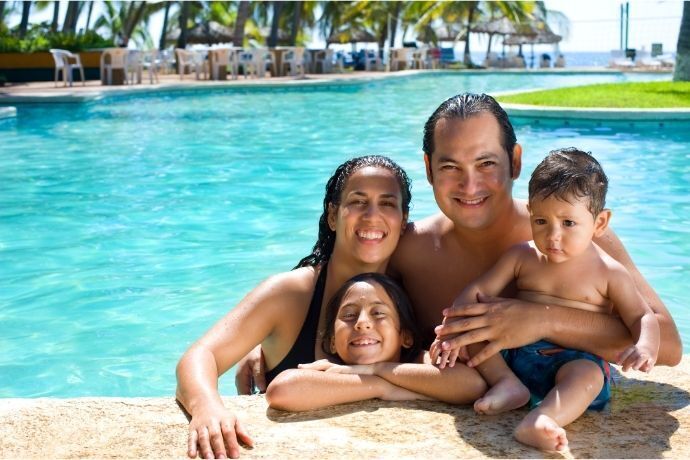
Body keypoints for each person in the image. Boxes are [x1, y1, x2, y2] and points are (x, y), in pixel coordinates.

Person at [235, 93, 681, 397]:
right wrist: (274, 340)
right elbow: (348, 293)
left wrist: (540, 320)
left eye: (487, 162)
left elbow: (668, 344)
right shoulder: (411, 250)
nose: (470, 185)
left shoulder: (575, 234)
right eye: (451, 167)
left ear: (516, 161)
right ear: (428, 169)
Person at [176, 154, 484, 459]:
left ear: (403, 222)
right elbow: (201, 355)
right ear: (333, 215)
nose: (371, 216)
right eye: (357, 201)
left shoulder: (411, 293)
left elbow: (465, 379)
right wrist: (207, 406)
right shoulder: (291, 293)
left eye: (387, 203)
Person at [431, 147, 659, 451]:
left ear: (600, 223)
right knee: (475, 322)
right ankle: (507, 385)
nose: (553, 236)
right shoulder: (522, 256)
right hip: (513, 355)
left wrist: (645, 346)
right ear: (530, 213)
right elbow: (477, 292)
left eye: (568, 223)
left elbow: (642, 317)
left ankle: (543, 418)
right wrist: (451, 330)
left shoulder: (609, 272)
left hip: (572, 360)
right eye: (541, 222)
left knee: (588, 376)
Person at [266, 272, 486, 411]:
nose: (362, 323)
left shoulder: (422, 361)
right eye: (349, 315)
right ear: (332, 342)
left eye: (378, 313)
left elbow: (472, 386)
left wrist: (375, 369)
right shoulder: (334, 370)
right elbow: (281, 390)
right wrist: (383, 388)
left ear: (405, 337)